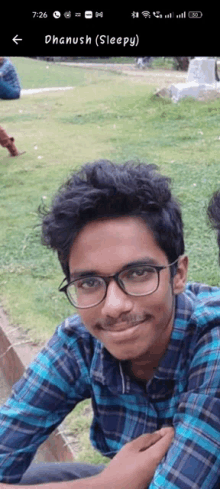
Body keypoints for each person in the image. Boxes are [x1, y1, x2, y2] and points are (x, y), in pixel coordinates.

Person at [0, 160, 220, 489]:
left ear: (178, 274)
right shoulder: (79, 342)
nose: (113, 307)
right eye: (89, 282)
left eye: (138, 273)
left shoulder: (212, 341)